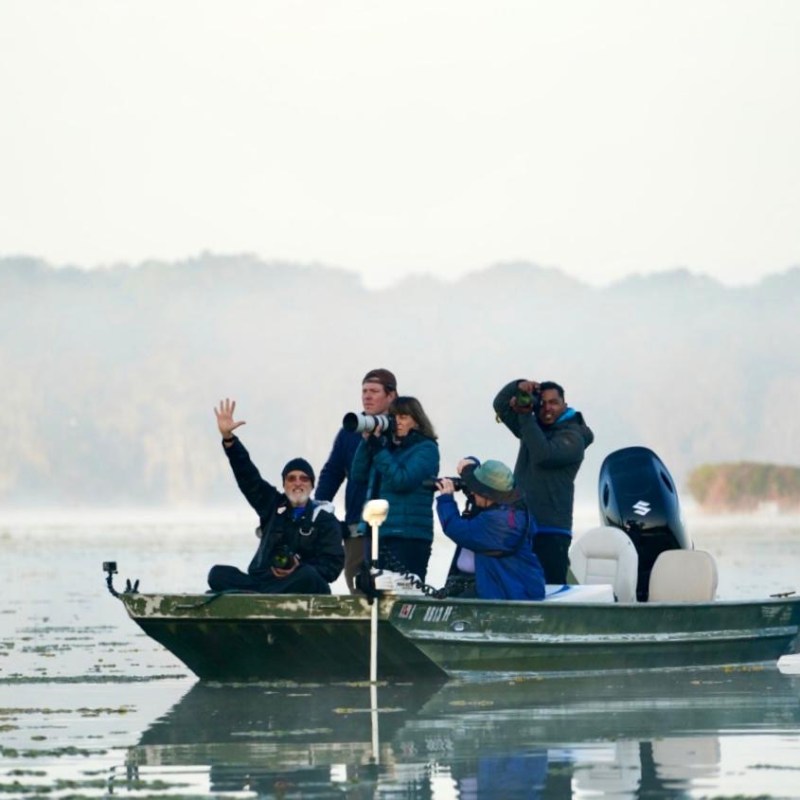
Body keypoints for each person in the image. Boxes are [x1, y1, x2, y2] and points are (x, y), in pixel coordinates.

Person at [207, 398, 344, 594]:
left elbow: (332, 566)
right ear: (284, 484)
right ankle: (261, 594)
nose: (298, 483)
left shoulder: (324, 519)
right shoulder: (271, 505)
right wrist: (229, 440)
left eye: (304, 479)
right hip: (264, 581)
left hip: (300, 582)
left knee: (310, 577)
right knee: (217, 574)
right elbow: (248, 477)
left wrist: (298, 565)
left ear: (312, 485)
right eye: (292, 478)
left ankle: (262, 595)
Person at [493, 379, 594, 583]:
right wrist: (520, 386)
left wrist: (525, 416)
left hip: (552, 530)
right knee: (520, 591)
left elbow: (543, 454)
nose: (547, 408)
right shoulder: (531, 427)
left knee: (551, 592)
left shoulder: (574, 437)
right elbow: (500, 403)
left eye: (554, 403)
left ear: (565, 405)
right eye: (543, 403)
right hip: (522, 526)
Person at [315, 368, 398, 594]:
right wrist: (319, 507)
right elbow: (333, 471)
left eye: (374, 391)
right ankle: (362, 630)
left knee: (394, 592)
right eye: (364, 391)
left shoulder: (402, 428)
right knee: (359, 592)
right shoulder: (350, 431)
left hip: (393, 526)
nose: (367, 396)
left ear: (391, 395)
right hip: (356, 525)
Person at [351, 395, 439, 581]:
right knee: (377, 596)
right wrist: (367, 442)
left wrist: (379, 450)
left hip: (408, 536)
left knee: (403, 597)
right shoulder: (388, 448)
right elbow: (358, 474)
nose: (397, 422)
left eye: (403, 417)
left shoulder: (427, 449)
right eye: (394, 417)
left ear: (417, 420)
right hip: (377, 531)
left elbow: (402, 481)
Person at [436, 458, 545, 600]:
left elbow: (455, 528)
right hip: (509, 588)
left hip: (511, 593)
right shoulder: (513, 508)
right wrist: (469, 467)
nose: (473, 493)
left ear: (487, 493)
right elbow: (486, 488)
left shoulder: (498, 522)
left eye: (476, 490)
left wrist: (446, 498)